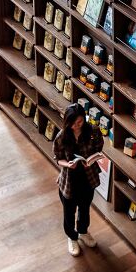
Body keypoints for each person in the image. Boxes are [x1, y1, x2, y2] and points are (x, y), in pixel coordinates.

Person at [53, 104, 104, 256]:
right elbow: (58, 158)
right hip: (69, 180)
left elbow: (98, 148)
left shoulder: (93, 131)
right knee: (69, 212)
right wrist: (67, 164)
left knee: (85, 207)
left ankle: (83, 231)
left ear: (84, 119)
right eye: (73, 123)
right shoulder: (62, 136)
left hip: (88, 177)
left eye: (80, 122)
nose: (76, 126)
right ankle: (72, 237)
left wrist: (94, 157)